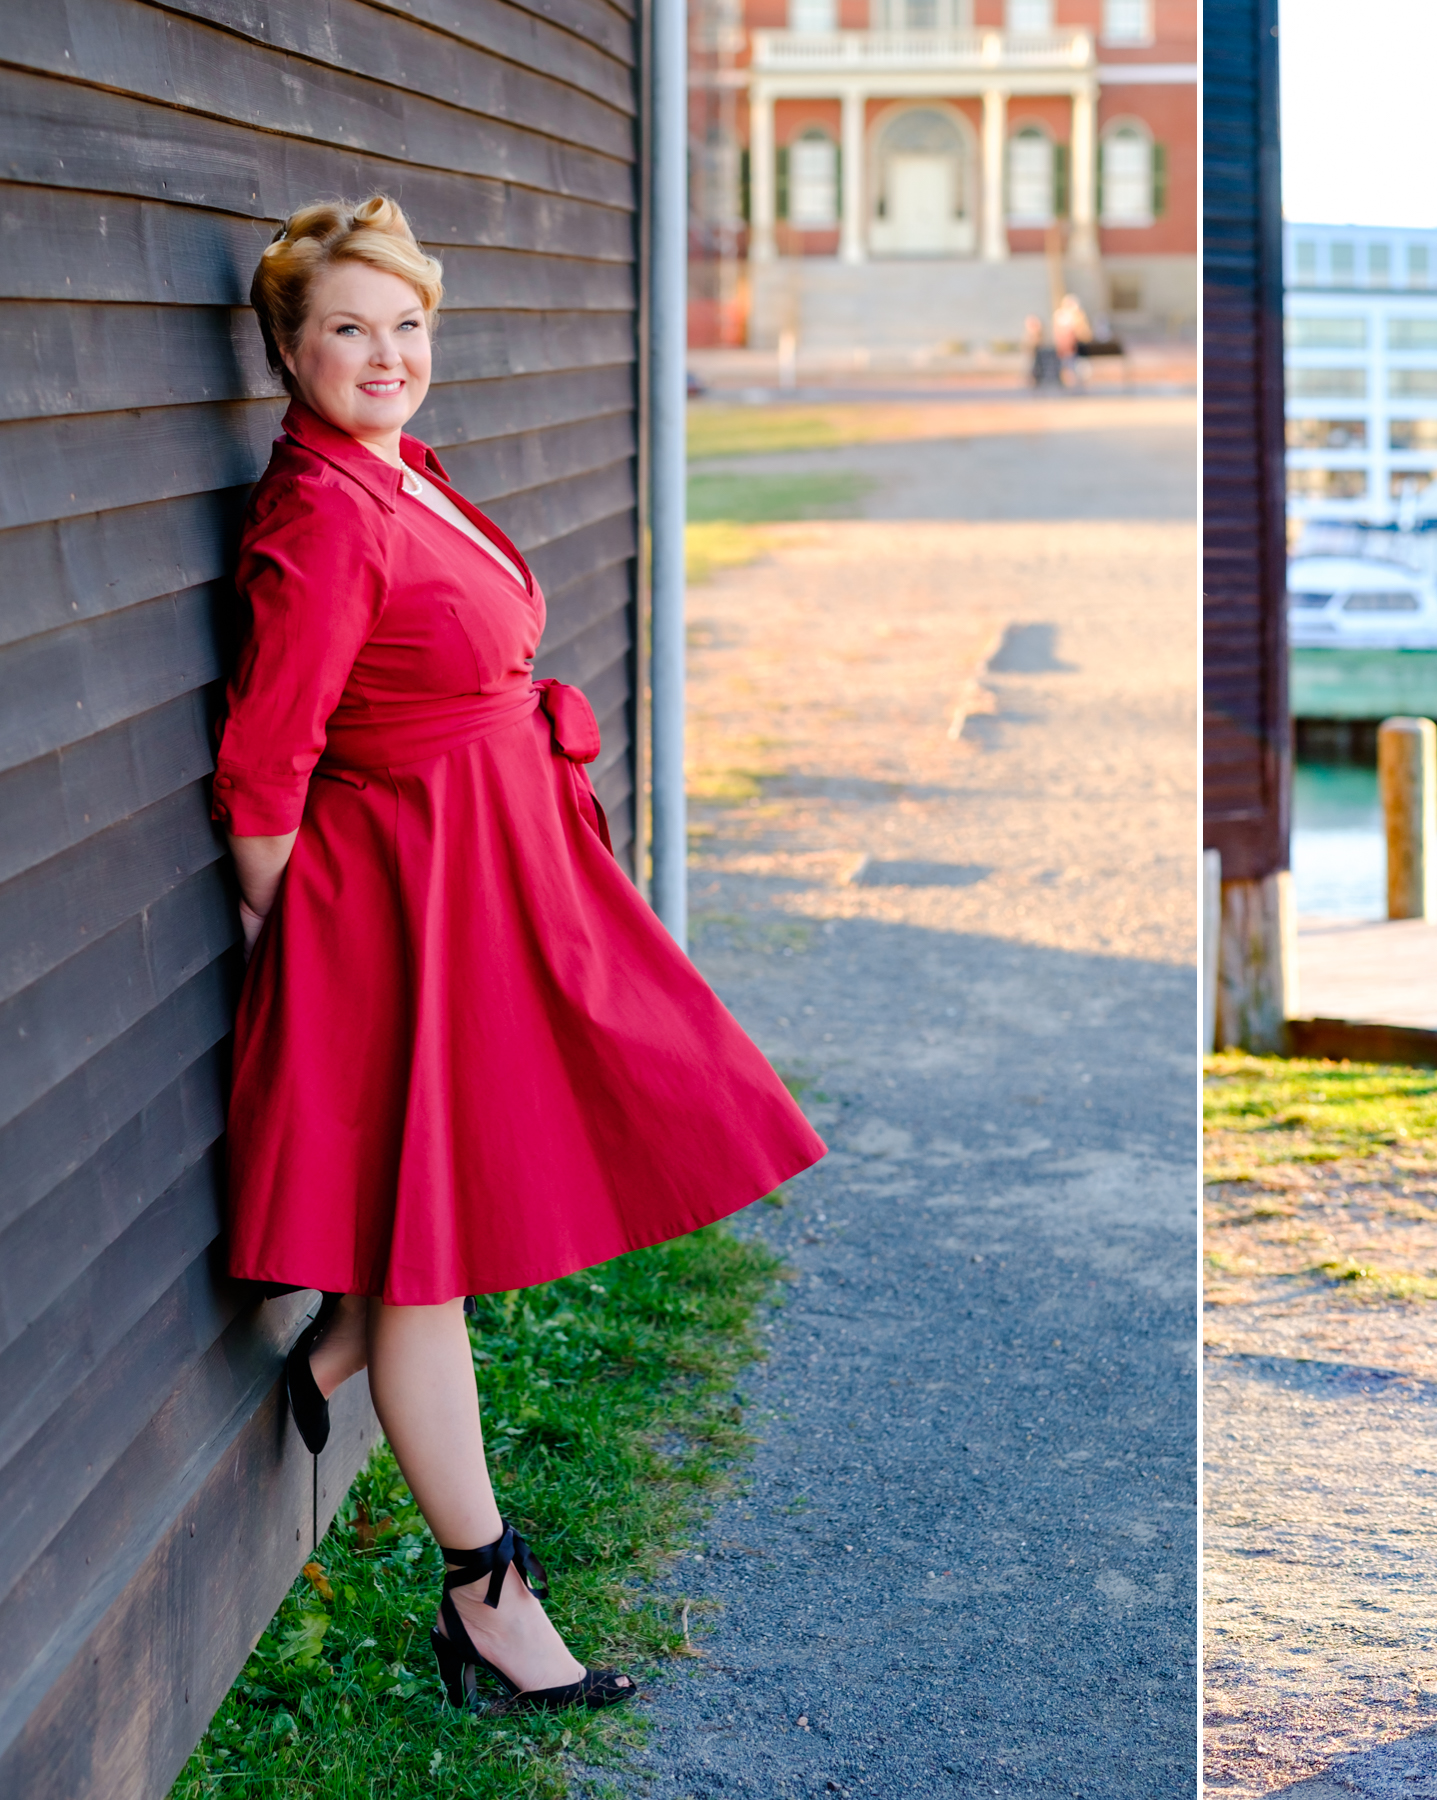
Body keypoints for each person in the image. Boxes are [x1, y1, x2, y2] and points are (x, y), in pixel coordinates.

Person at [217, 198, 827, 1711]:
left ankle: (345, 1345)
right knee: (436, 1247)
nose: (386, 354)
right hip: (392, 917)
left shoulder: (399, 473)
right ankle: (486, 1600)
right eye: (348, 328)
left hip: (480, 872)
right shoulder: (323, 510)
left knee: (563, 1133)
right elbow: (263, 770)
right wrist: (309, 961)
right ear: (289, 350)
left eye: (406, 324)